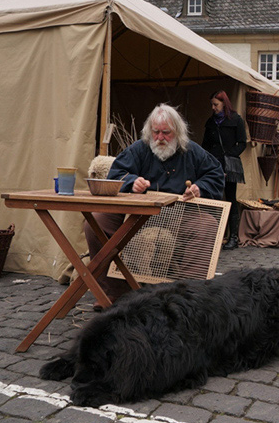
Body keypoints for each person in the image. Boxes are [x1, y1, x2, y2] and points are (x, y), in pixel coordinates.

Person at [84, 104, 225, 307]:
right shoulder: (139, 148)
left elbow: (216, 173)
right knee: (96, 222)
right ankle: (114, 292)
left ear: (177, 132)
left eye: (166, 133)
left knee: (206, 225)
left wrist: (199, 188)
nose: (160, 138)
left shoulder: (192, 151)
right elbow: (116, 174)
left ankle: (190, 296)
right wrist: (133, 182)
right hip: (137, 215)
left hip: (179, 213)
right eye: (156, 132)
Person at [201, 90, 247, 250]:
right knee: (213, 200)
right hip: (214, 166)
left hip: (230, 166)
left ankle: (233, 237)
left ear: (224, 103)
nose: (213, 107)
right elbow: (205, 146)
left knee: (230, 199)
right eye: (212, 105)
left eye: (216, 104)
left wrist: (229, 157)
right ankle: (214, 237)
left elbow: (242, 143)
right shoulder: (210, 122)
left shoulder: (236, 120)